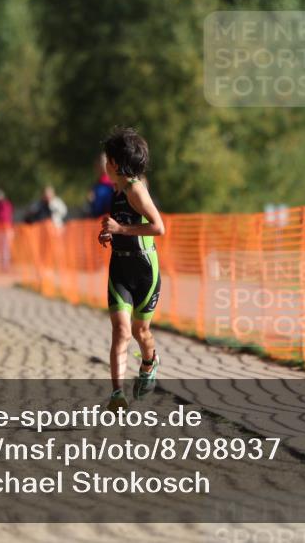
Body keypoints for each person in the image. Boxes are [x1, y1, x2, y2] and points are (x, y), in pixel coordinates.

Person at [98, 127, 165, 411]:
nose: (104, 162)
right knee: (121, 330)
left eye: (107, 158)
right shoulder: (115, 189)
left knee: (141, 333)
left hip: (144, 271)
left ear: (115, 162)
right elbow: (121, 225)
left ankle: (149, 361)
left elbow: (158, 227)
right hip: (120, 268)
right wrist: (110, 234)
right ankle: (117, 395)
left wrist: (120, 227)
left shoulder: (136, 189)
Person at [85, 153, 114, 217]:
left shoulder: (114, 184)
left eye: (101, 162)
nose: (96, 166)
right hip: (98, 221)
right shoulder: (96, 185)